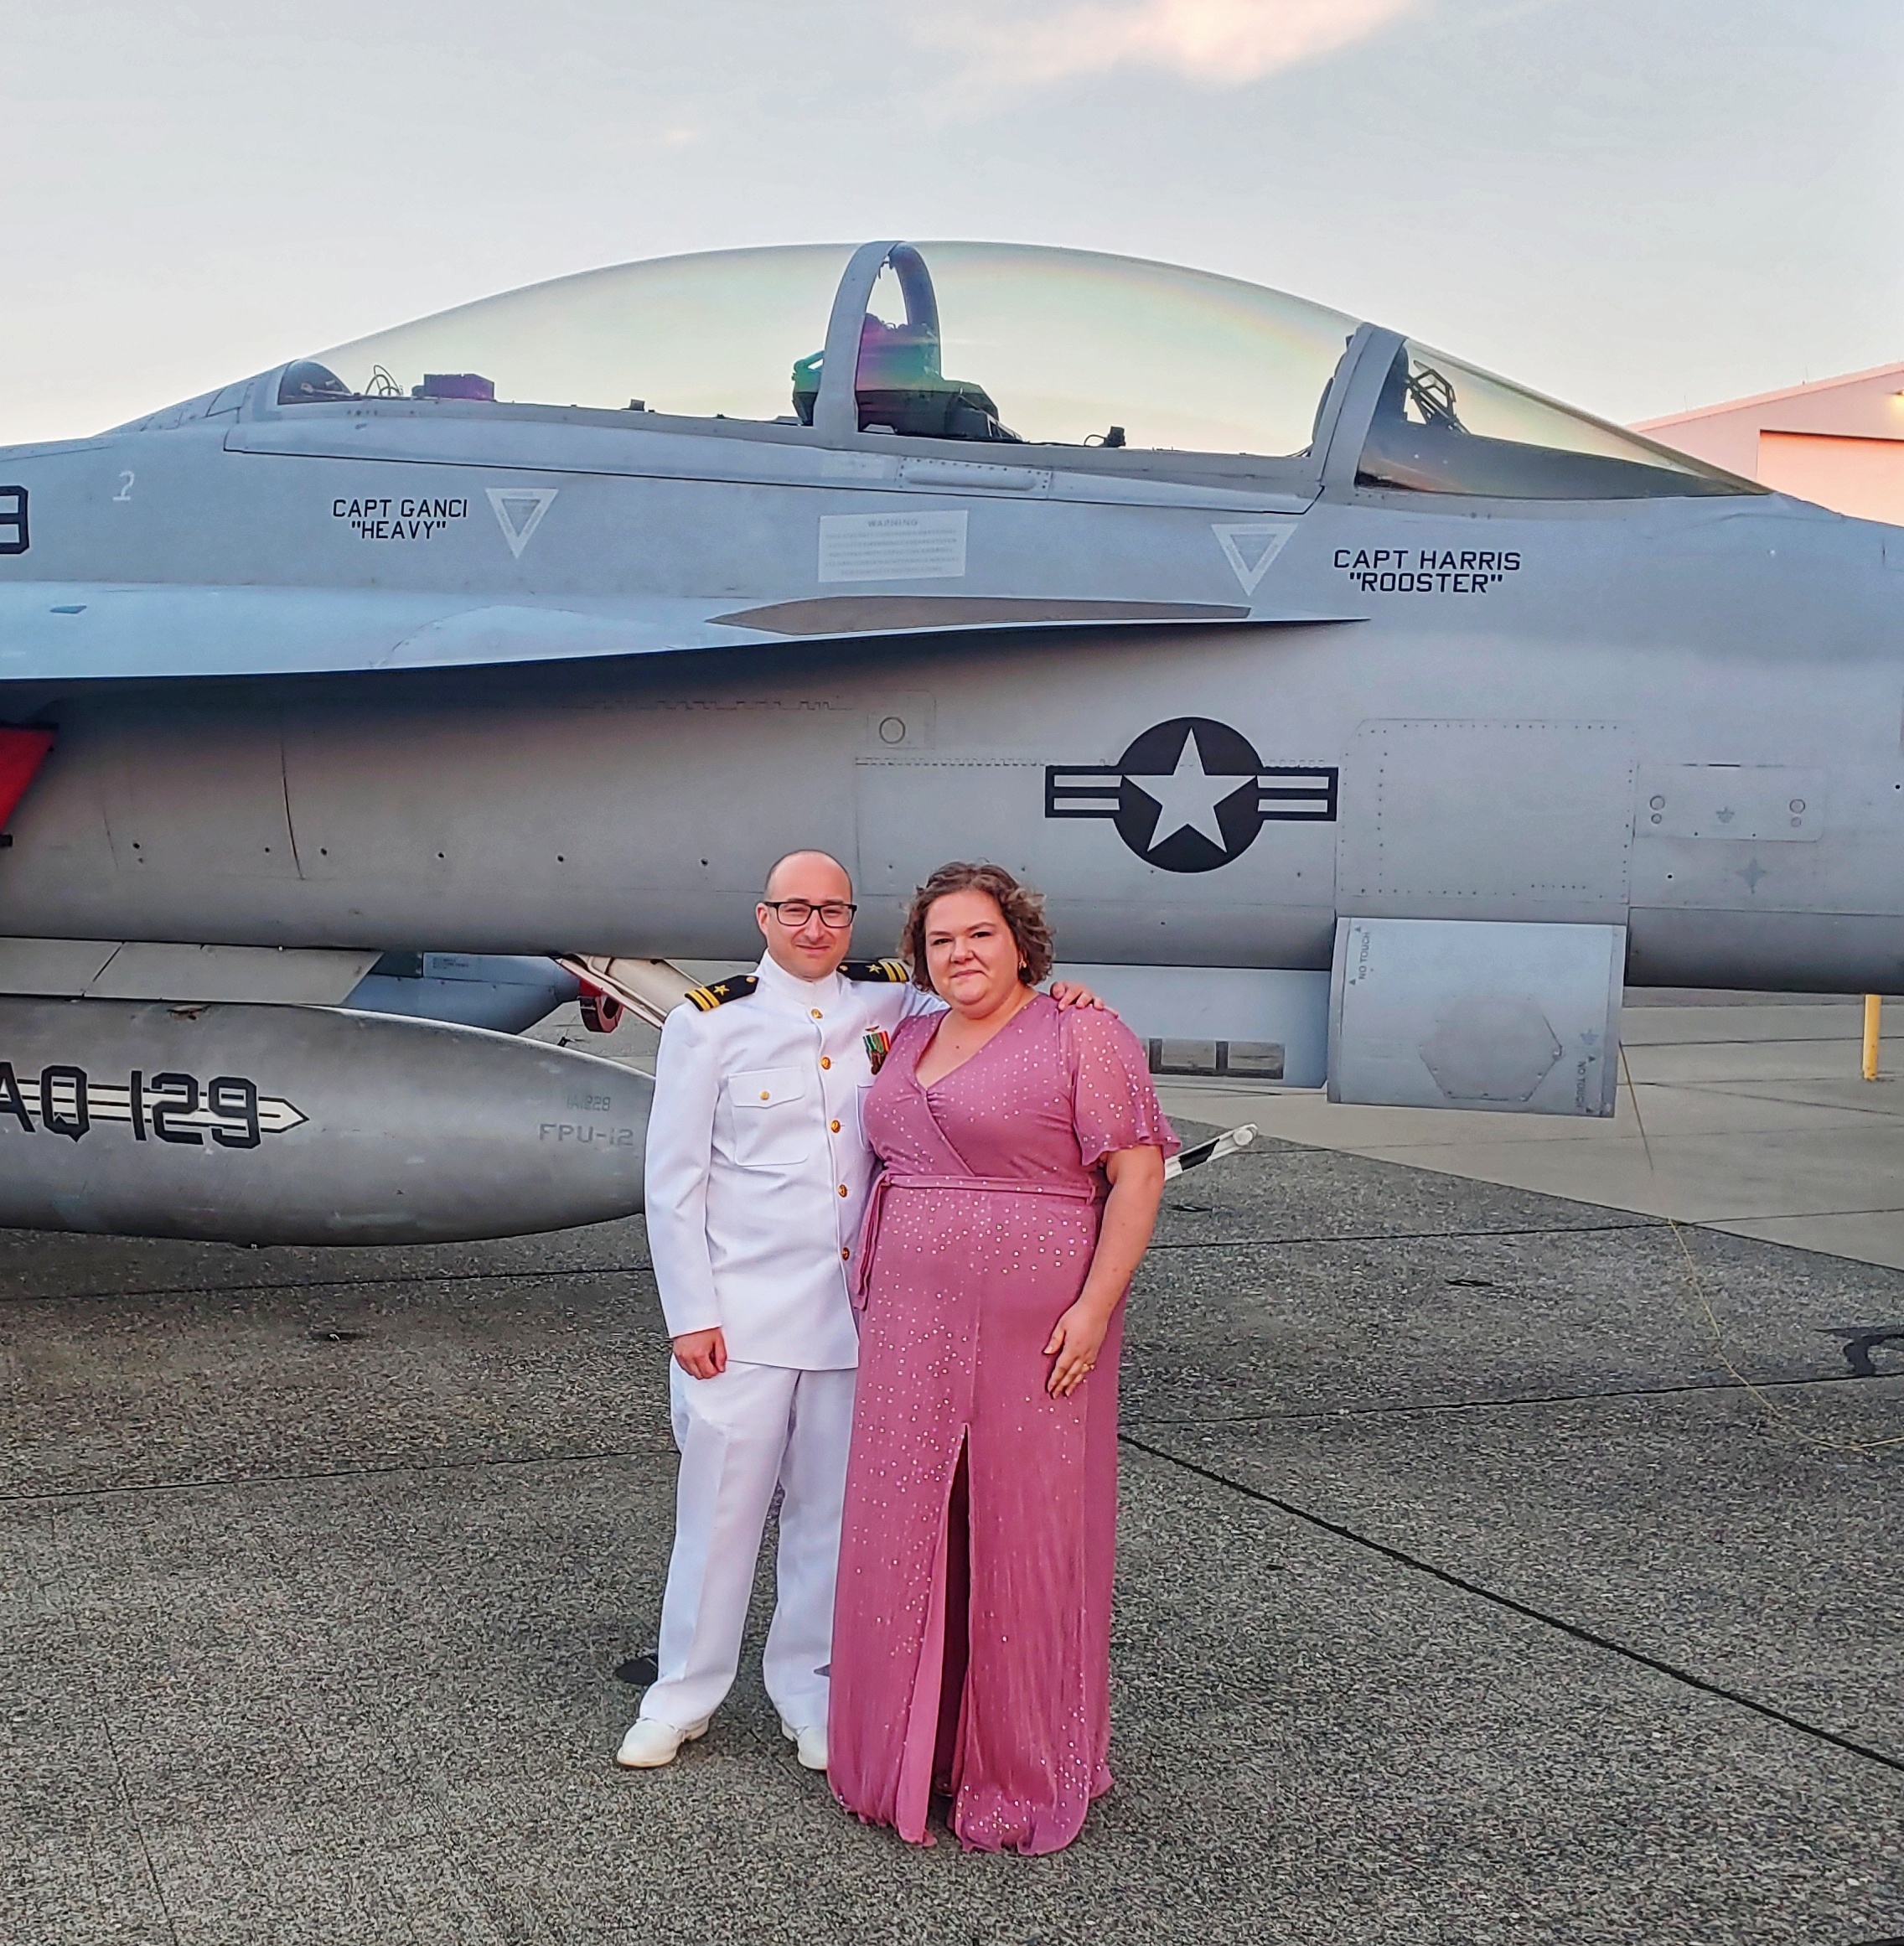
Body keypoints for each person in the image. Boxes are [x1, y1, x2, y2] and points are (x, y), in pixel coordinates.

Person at [617, 851, 1105, 1773]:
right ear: (762, 917)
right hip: (742, 1322)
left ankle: (809, 1689)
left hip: (856, 1323)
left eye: (832, 912)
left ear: (852, 923)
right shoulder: (709, 1024)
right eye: (794, 910)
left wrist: (1062, 999)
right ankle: (682, 1692)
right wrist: (689, 1313)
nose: (813, 929)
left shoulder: (893, 1005)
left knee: (829, 1523)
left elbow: (989, 1007)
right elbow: (671, 1182)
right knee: (718, 1517)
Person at [829, 862, 1175, 1855]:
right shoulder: (911, 1032)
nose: (960, 955)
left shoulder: (1082, 1032)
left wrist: (1094, 1310)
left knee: (1024, 1529)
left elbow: (1138, 1173)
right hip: (909, 1321)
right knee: (906, 1521)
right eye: (941, 941)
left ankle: (1017, 1771)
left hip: (1040, 1325)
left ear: (1020, 941)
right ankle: (907, 1753)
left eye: (979, 935)